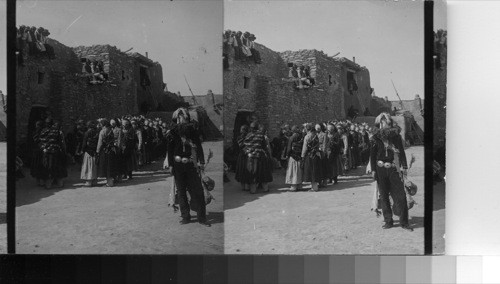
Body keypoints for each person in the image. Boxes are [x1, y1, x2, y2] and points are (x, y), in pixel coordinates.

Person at [370, 112, 413, 231]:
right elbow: (372, 156)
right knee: (383, 197)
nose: (385, 123)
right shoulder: (375, 138)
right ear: (379, 123)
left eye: (387, 121)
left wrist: (404, 166)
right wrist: (373, 170)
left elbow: (402, 152)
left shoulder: (396, 136)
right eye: (382, 121)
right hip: (380, 170)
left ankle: (404, 222)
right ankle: (388, 221)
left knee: (401, 196)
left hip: (394, 169)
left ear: (390, 122)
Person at [167, 108, 209, 226]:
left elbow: (199, 147)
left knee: (198, 191)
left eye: (183, 117)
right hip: (178, 165)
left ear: (187, 118)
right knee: (181, 192)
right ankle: (186, 216)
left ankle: (202, 217)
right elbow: (169, 150)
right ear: (176, 119)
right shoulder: (172, 132)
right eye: (179, 118)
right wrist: (170, 165)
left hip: (191, 164)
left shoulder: (192, 131)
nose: (181, 120)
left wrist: (201, 161)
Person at [243, 122, 272, 193]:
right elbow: (264, 146)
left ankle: (253, 190)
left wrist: (249, 152)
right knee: (262, 173)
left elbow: (245, 146)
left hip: (251, 157)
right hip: (260, 157)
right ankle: (265, 189)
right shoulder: (261, 135)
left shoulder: (248, 135)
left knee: (253, 173)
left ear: (251, 128)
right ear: (257, 128)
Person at [39, 119, 67, 189]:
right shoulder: (56, 131)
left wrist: (44, 148)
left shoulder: (43, 131)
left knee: (48, 167)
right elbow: (60, 142)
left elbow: (40, 142)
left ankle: (48, 185)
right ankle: (60, 184)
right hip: (55, 152)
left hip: (47, 152)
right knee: (57, 167)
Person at [96, 119, 119, 187]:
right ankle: (110, 181)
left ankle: (109, 183)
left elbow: (100, 143)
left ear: (103, 124)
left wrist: (97, 151)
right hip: (111, 150)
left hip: (104, 151)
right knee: (110, 166)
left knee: (106, 167)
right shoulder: (111, 130)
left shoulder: (102, 131)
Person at [301, 123, 322, 191]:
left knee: (311, 171)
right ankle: (315, 186)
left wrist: (302, 156)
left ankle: (314, 187)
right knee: (315, 171)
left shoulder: (307, 137)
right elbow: (318, 146)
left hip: (309, 156)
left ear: (307, 129)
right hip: (316, 155)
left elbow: (305, 148)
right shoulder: (316, 136)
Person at [81, 120, 99, 187]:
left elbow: (84, 143)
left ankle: (89, 181)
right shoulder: (96, 132)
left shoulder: (87, 133)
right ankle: (94, 181)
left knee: (88, 166)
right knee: (93, 166)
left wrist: (82, 150)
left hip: (88, 152)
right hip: (94, 151)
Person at [285, 125, 303, 191]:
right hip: (299, 155)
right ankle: (299, 185)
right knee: (298, 171)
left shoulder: (291, 138)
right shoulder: (302, 137)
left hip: (293, 156)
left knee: (293, 171)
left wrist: (287, 155)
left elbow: (289, 148)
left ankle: (294, 186)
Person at [234, 125, 250, 191]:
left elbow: (239, 146)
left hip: (241, 155)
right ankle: (247, 186)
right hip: (247, 155)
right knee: (247, 171)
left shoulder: (239, 138)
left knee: (241, 170)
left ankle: (243, 187)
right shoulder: (249, 137)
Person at [30, 120, 45, 186]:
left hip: (37, 151)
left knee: (37, 166)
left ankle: (38, 181)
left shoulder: (35, 132)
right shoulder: (43, 132)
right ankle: (41, 182)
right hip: (40, 151)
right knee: (40, 166)